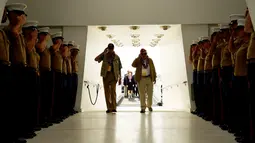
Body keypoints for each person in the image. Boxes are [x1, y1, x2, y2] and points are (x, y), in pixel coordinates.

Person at [22, 20, 41, 138]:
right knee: (26, 102)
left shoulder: (33, 44)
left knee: (34, 101)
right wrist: (33, 39)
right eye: (34, 31)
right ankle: (25, 128)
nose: (36, 33)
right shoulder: (25, 41)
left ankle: (30, 126)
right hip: (26, 73)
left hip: (34, 73)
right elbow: (27, 51)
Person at [94, 43, 122, 113]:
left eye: (111, 48)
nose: (110, 50)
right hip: (106, 75)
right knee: (107, 92)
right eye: (109, 48)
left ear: (113, 48)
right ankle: (109, 108)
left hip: (114, 75)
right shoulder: (104, 56)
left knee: (113, 92)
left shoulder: (117, 57)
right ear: (108, 48)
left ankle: (114, 107)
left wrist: (120, 78)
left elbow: (119, 68)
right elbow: (96, 59)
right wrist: (103, 53)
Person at [36, 27, 53, 128]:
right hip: (41, 72)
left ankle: (45, 118)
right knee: (41, 97)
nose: (47, 37)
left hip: (47, 72)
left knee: (47, 97)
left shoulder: (46, 46)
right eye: (45, 34)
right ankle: (40, 119)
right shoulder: (38, 44)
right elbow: (40, 48)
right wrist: (45, 40)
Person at [132, 48, 156, 113]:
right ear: (140, 54)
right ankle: (143, 107)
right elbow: (133, 65)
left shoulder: (150, 60)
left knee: (150, 93)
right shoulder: (138, 60)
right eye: (142, 54)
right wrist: (138, 58)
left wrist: (154, 78)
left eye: (145, 53)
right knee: (142, 94)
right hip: (141, 79)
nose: (144, 55)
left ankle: (149, 106)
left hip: (149, 78)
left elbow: (153, 69)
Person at [49, 32, 64, 122]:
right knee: (54, 95)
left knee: (59, 95)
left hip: (59, 73)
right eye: (60, 39)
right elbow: (53, 49)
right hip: (53, 73)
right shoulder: (52, 49)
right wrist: (58, 43)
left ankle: (57, 114)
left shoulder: (59, 51)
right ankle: (52, 116)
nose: (61, 42)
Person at [70, 44, 80, 114]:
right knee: (70, 93)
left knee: (74, 92)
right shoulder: (70, 57)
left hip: (75, 74)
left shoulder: (76, 58)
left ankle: (72, 108)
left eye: (77, 51)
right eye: (75, 51)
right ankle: (69, 108)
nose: (76, 52)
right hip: (71, 74)